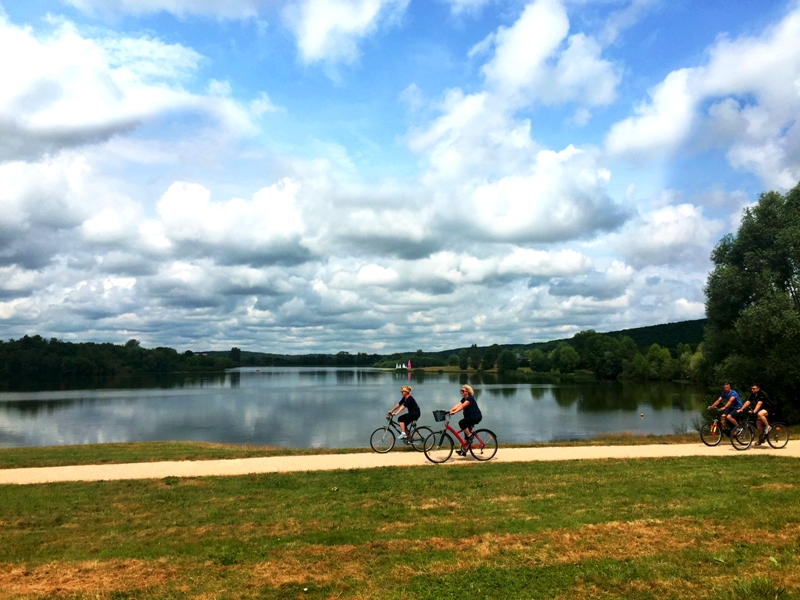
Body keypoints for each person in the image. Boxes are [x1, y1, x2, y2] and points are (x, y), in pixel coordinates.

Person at [449, 384, 482, 456]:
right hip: (470, 417)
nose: (462, 392)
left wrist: (455, 412)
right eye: (461, 391)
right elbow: (458, 405)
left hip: (475, 417)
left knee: (461, 423)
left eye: (463, 391)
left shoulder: (470, 398)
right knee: (466, 432)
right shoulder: (464, 399)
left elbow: (462, 406)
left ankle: (470, 436)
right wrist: (450, 411)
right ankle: (463, 450)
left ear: (467, 392)